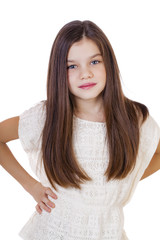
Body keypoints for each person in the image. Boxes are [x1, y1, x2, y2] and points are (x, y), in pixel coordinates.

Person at [0, 20, 160, 240]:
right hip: (53, 232)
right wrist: (31, 186)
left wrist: (122, 180)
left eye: (94, 62)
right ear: (59, 71)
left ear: (109, 65)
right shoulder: (46, 117)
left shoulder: (135, 119)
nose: (85, 74)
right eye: (72, 66)